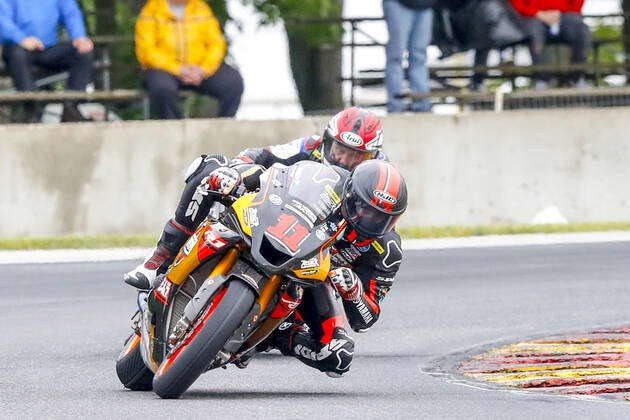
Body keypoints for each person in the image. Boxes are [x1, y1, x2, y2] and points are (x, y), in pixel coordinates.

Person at [123, 107, 405, 377]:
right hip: (272, 216)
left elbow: (366, 319)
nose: (343, 160)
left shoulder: (383, 230)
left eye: (355, 156)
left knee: (338, 356)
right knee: (211, 168)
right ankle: (162, 258)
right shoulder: (309, 147)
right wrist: (236, 171)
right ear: (328, 141)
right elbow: (261, 155)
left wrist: (353, 290)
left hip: (309, 274)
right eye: (340, 150)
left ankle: (279, 335)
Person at [135, 0, 244, 119]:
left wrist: (203, 69)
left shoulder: (201, 8)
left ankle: (223, 126)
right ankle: (175, 127)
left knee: (233, 82)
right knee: (161, 87)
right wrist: (178, 70)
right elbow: (146, 50)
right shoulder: (151, 11)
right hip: (165, 71)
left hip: (200, 70)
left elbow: (216, 43)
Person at [0, 0, 94, 122]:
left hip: (48, 48)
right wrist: (21, 39)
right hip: (19, 48)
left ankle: (71, 106)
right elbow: (2, 19)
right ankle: (32, 109)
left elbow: (71, 14)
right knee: (16, 54)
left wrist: (79, 37)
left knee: (82, 52)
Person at [509, 0, 592, 89]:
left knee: (582, 31)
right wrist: (538, 14)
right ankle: (542, 80)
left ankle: (576, 78)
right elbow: (517, 4)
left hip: (565, 15)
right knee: (533, 33)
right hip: (534, 17)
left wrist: (560, 14)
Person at [383, 0, 436, 113]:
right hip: (398, 4)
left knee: (419, 56)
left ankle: (421, 103)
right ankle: (395, 104)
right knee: (396, 56)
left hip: (424, 6)